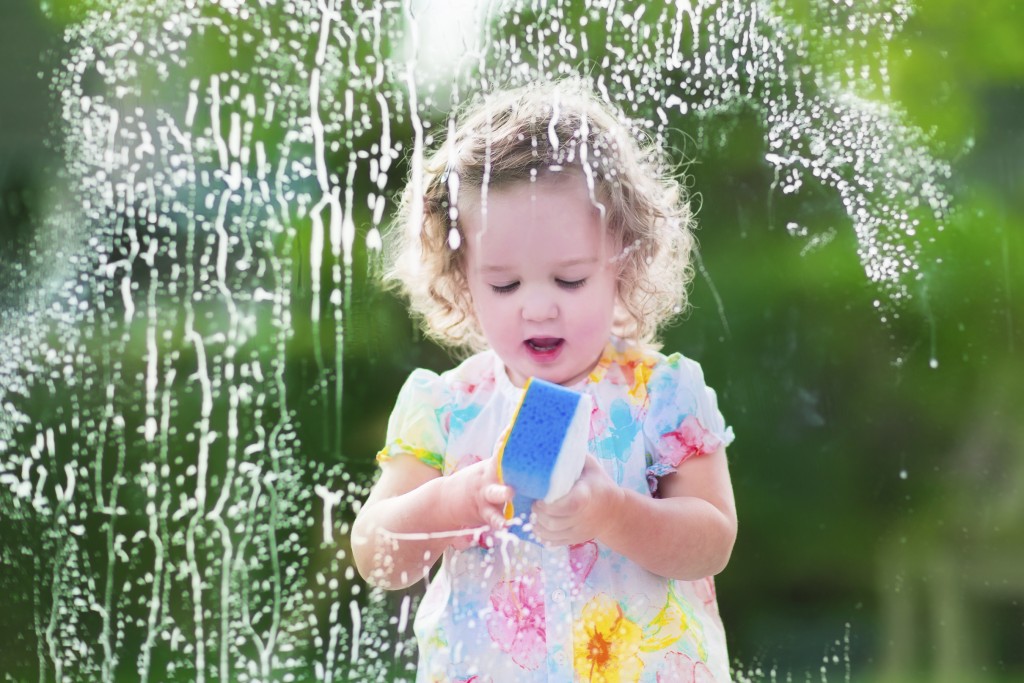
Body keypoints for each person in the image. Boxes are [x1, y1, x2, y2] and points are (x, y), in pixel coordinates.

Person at [351, 79, 738, 682]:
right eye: (504, 285)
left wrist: (612, 513)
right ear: (461, 280)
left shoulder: (659, 396)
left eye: (570, 280)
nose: (538, 307)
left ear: (624, 262)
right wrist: (448, 504)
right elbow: (376, 553)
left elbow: (713, 540)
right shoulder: (448, 406)